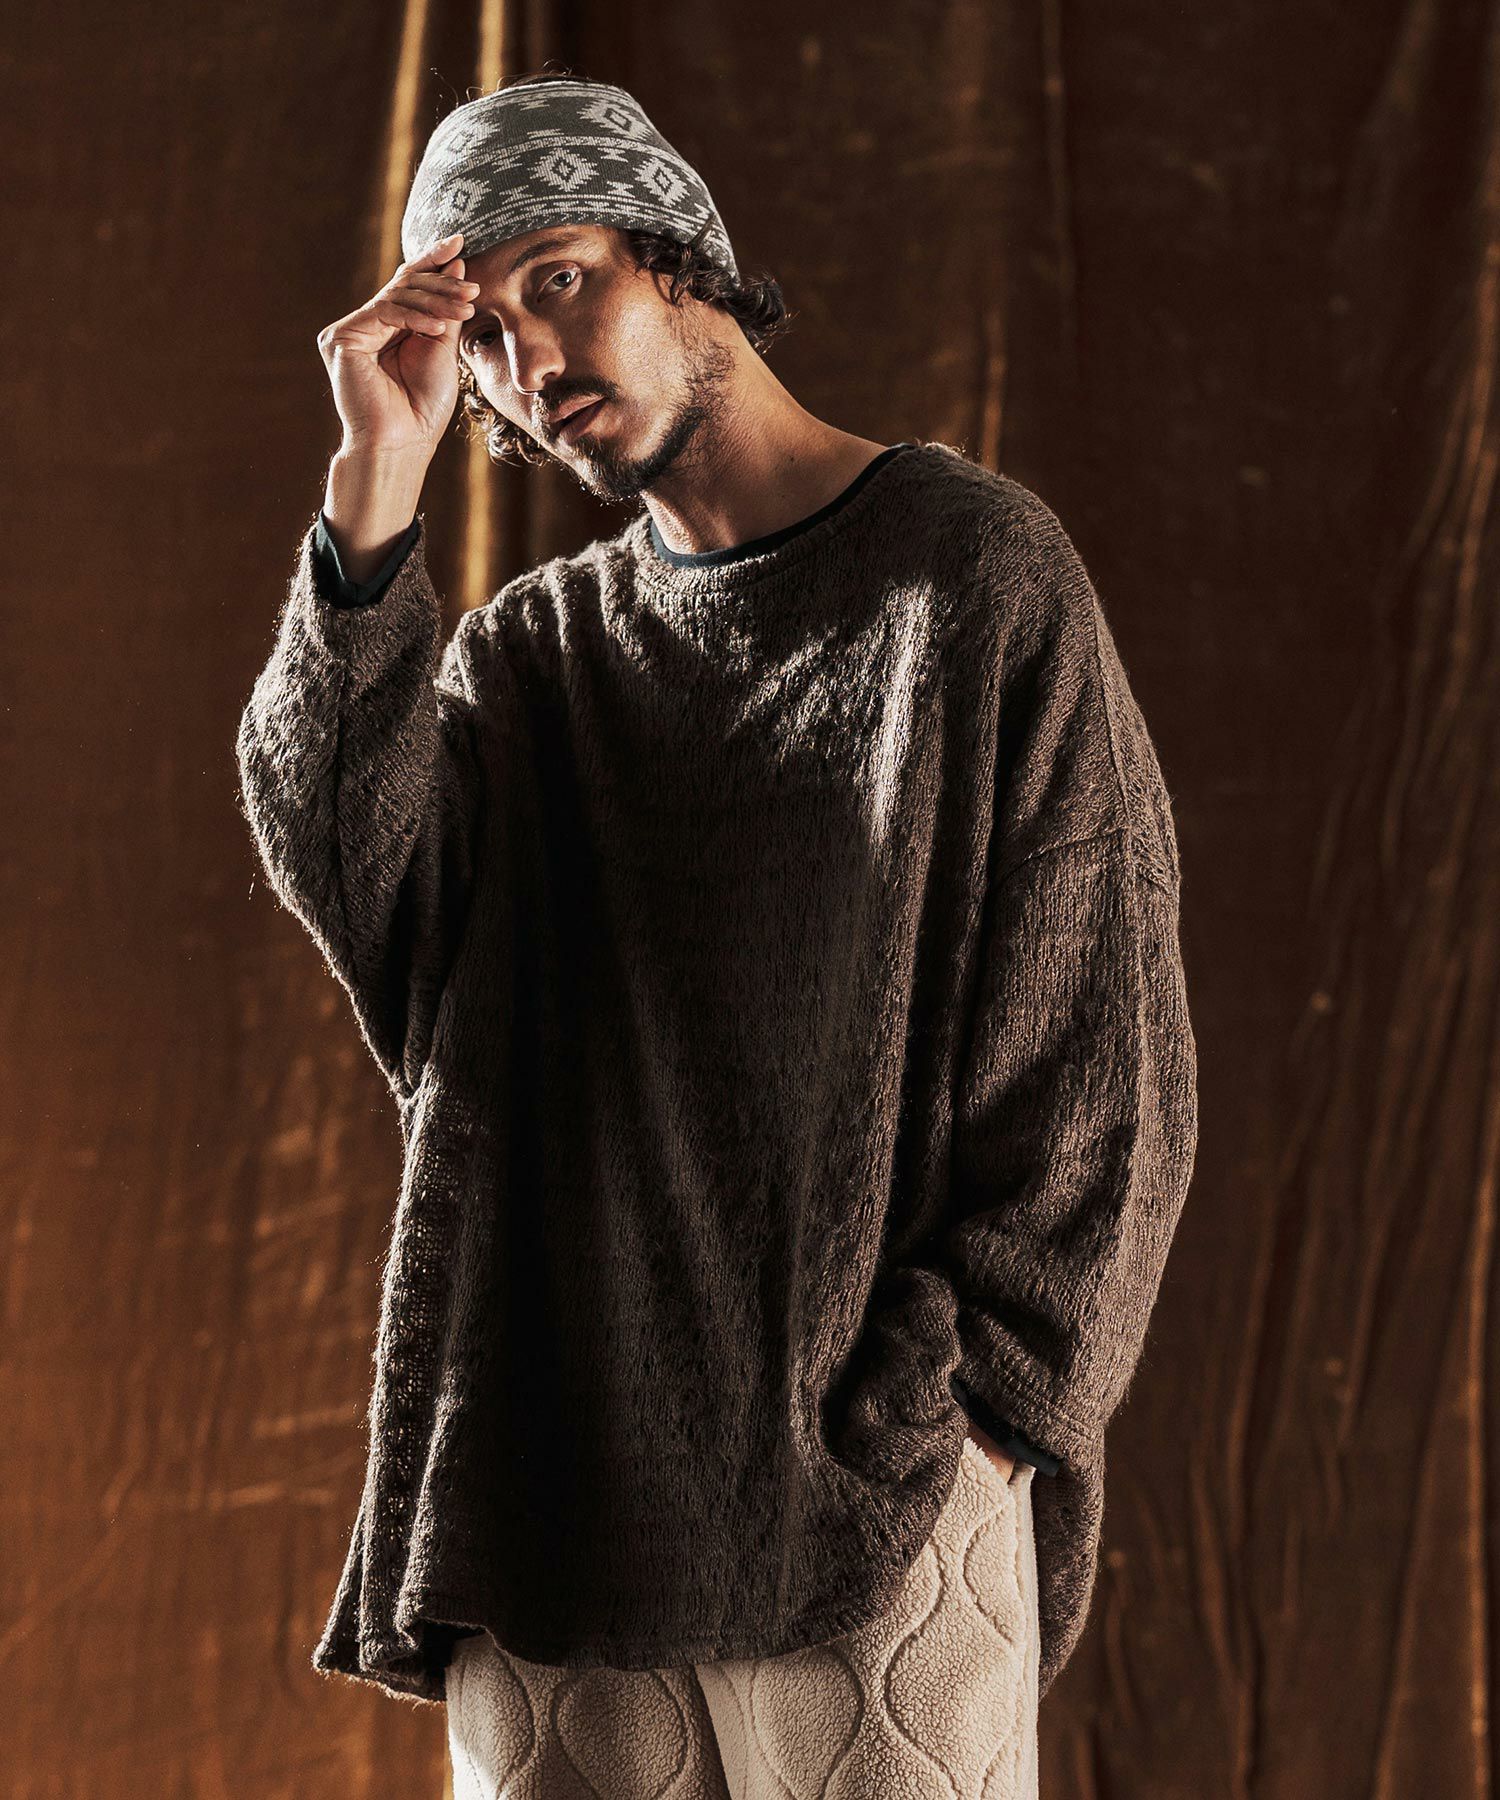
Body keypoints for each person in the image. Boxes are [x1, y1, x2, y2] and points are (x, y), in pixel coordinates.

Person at [236, 69, 1198, 1799]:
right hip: (553, 1505)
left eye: (559, 279)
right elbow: (347, 867)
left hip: (877, 1509)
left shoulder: (969, 579)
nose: (530, 360)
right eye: (482, 332)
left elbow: (1102, 1059)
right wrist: (375, 481)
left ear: (680, 255)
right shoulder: (534, 663)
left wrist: (972, 1414)